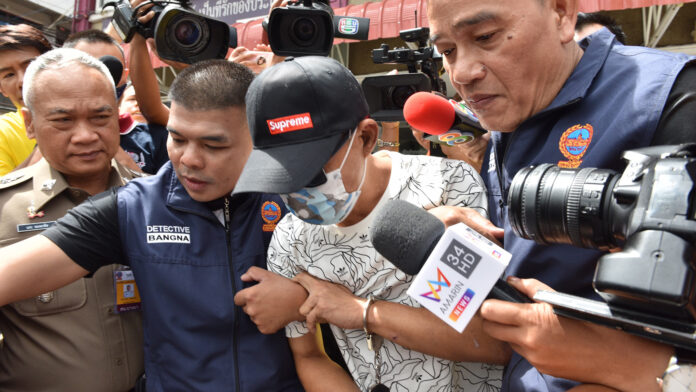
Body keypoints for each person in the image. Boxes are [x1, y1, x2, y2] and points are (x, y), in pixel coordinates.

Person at [426, 0, 695, 390]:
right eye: (447, 51)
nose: (462, 73)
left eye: (486, 37)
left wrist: (621, 365)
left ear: (562, 13)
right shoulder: (507, 113)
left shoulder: (671, 100)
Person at [0, 59, 304, 391]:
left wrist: (305, 298)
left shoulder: (300, 199)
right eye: (177, 139)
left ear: (258, 136)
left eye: (213, 145)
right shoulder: (133, 208)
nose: (189, 159)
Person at [233, 56, 509, 391]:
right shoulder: (292, 239)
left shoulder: (445, 189)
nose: (299, 190)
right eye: (282, 178)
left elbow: (489, 343)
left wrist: (358, 312)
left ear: (365, 137)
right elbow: (309, 357)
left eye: (312, 171)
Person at [0, 47, 144, 391]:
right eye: (63, 120)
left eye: (99, 117)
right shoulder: (5, 210)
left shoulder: (155, 200)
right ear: (29, 124)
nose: (85, 135)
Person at [64, 30, 169, 174]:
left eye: (109, 68)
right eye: (85, 68)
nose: (98, 78)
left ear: (125, 75)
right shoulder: (53, 135)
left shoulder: (157, 139)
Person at [0, 24, 51, 176]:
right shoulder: (3, 132)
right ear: (1, 88)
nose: (23, 81)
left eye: (31, 66)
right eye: (8, 75)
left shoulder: (91, 112)